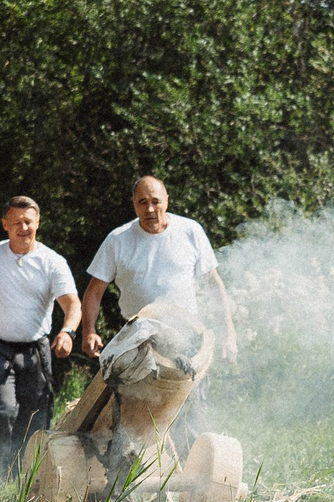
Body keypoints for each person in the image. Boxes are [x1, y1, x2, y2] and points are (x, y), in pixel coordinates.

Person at [81, 175, 238, 439]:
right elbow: (94, 292)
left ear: (167, 200)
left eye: (156, 201)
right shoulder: (118, 240)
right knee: (134, 413)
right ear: (134, 204)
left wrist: (229, 334)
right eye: (143, 202)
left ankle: (193, 476)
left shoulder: (190, 231)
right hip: (138, 339)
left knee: (192, 413)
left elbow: (214, 285)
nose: (150, 209)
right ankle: (131, 475)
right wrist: (89, 332)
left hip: (187, 338)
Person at [0, 197, 80, 476]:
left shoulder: (52, 261)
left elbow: (72, 304)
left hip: (35, 348)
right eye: (17, 222)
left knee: (36, 416)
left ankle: (27, 473)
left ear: (38, 223)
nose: (23, 228)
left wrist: (67, 332)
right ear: (5, 225)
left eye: (28, 222)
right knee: (2, 411)